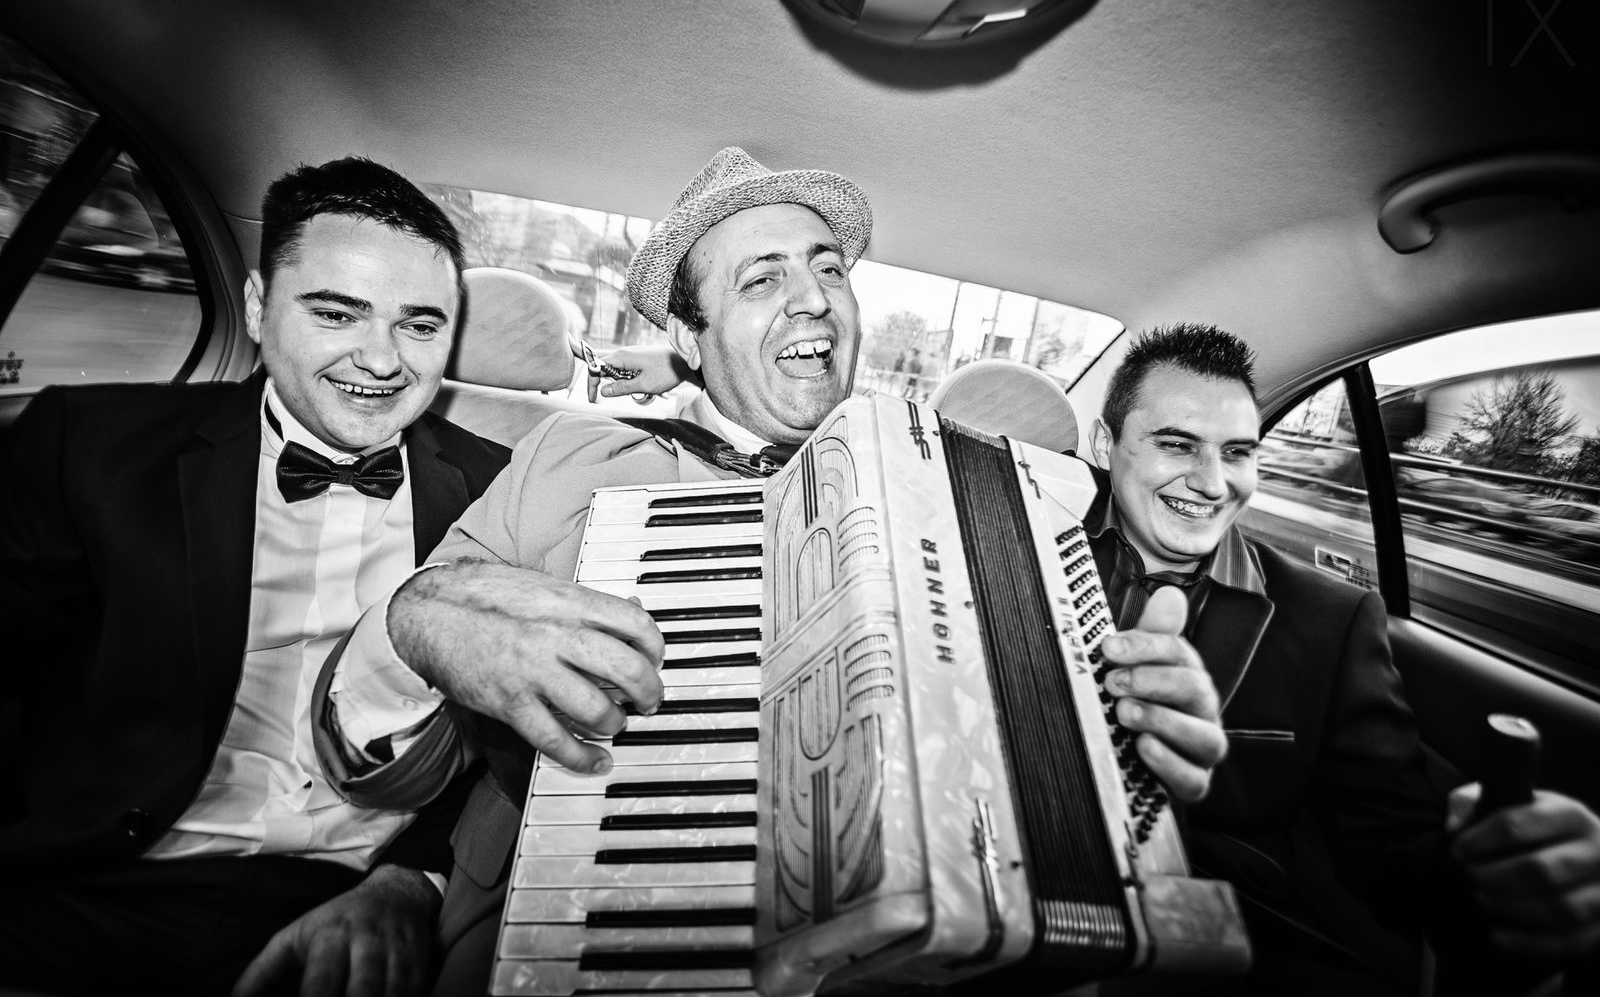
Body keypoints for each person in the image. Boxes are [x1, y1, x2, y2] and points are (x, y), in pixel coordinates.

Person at [315, 147, 1229, 993]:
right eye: (762, 278)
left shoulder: (965, 506)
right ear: (689, 336)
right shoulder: (571, 456)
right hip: (565, 931)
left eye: (829, 269)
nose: (813, 299)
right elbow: (380, 768)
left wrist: (1125, 750)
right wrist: (413, 625)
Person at [0, 156, 511, 996]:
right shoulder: (87, 448)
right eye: (338, 313)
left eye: (419, 325)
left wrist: (412, 882)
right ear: (256, 305)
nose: (381, 359)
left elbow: (511, 746)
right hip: (92, 882)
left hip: (357, 895)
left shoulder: (507, 490)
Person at [1084, 322, 1600, 995]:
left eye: (1237, 452)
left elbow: (1394, 847)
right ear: (1105, 444)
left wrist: (1499, 881)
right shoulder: (1018, 535)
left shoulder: (1331, 617)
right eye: (1177, 444)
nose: (1213, 483)